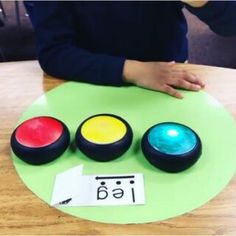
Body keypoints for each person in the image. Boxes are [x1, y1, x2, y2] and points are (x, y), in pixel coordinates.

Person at [25, 1, 236, 98]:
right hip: (89, 78)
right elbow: (54, 52)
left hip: (168, 73)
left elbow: (229, 23)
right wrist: (135, 71)